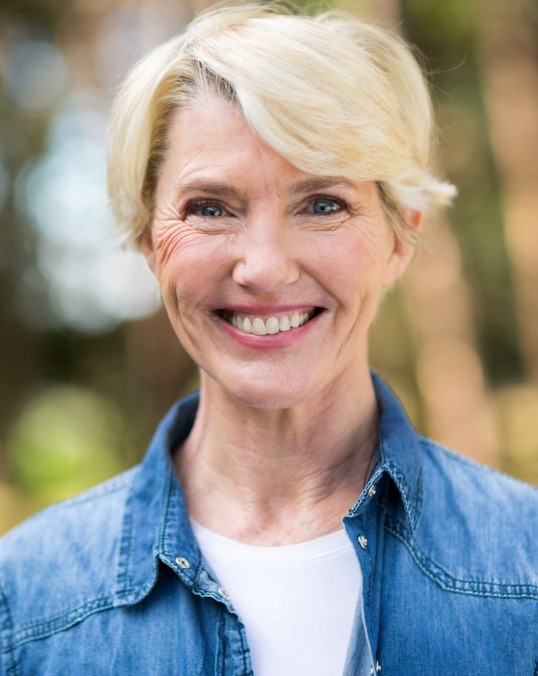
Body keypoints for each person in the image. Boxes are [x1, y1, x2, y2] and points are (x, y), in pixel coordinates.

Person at [1, 4, 537, 675]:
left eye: (322, 204)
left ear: (399, 237)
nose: (263, 267)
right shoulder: (25, 602)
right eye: (211, 208)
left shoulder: (528, 564)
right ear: (147, 239)